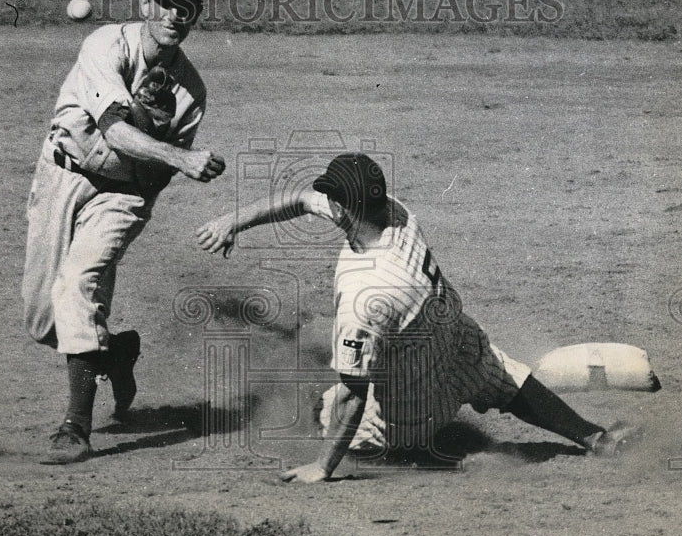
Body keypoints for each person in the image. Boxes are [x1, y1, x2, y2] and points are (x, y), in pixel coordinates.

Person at [196, 153, 635, 483]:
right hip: (459, 346)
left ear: (344, 210)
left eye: (331, 197)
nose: (324, 201)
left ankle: (439, 454)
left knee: (327, 410)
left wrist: (322, 467)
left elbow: (353, 394)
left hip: (414, 402)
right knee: (504, 376)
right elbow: (300, 200)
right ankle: (597, 437)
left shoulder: (365, 297)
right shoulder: (394, 211)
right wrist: (233, 221)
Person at [23, 0, 226, 465]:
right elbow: (113, 130)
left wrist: (163, 153)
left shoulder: (191, 92)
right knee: (44, 320)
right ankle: (114, 352)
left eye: (187, 7)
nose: (175, 16)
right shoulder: (106, 45)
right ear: (145, 4)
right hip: (63, 174)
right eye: (166, 3)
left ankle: (75, 428)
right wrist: (174, 151)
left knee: (78, 284)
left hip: (123, 195)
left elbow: (152, 179)